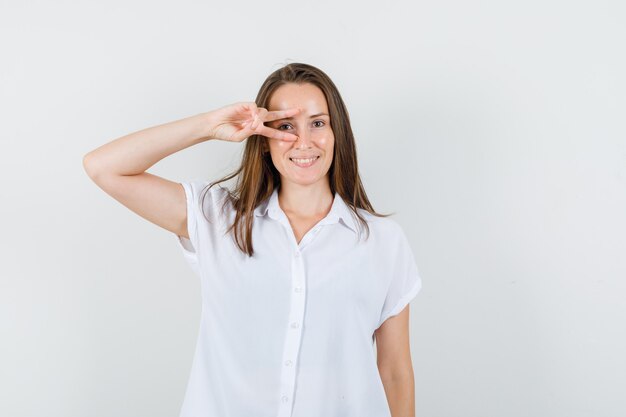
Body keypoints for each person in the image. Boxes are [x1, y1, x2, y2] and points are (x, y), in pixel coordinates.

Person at [83, 62, 422, 417]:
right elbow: (103, 167)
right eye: (286, 126)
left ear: (338, 134)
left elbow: (395, 373)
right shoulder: (219, 220)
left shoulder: (382, 241)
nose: (303, 142)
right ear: (263, 141)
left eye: (318, 123)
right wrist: (208, 126)